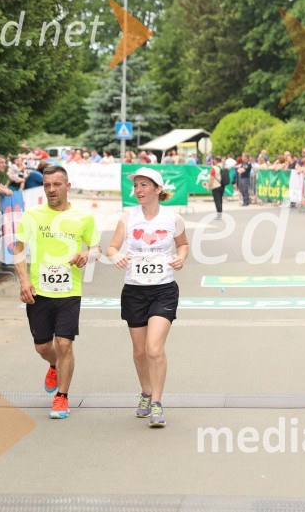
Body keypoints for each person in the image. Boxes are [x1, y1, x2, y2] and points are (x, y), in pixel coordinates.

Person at [12, 165, 100, 419]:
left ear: (67, 186)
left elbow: (97, 249)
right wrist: (24, 281)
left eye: (57, 184)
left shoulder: (84, 217)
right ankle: (53, 365)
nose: (51, 189)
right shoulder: (33, 215)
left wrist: (87, 254)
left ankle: (62, 397)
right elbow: (18, 249)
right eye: (47, 185)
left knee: (64, 343)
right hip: (39, 291)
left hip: (69, 291)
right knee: (43, 347)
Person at [106, 167, 188, 428]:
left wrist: (181, 258)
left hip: (164, 289)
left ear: (158, 188)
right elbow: (112, 247)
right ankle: (145, 392)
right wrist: (116, 256)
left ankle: (157, 402)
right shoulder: (128, 217)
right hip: (134, 290)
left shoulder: (173, 218)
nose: (138, 190)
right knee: (140, 352)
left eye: (144, 185)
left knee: (154, 348)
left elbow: (183, 245)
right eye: (136, 186)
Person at [207, 155, 226, 219]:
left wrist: (209, 187)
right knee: (220, 200)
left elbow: (211, 178)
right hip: (222, 185)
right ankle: (220, 213)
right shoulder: (223, 166)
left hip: (215, 186)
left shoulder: (214, 168)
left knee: (217, 201)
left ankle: (219, 215)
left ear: (215, 160)